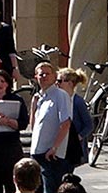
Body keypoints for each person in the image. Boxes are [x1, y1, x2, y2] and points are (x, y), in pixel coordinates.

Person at [31, 63, 78, 193]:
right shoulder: (40, 97)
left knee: (51, 189)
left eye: (48, 73)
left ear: (54, 76)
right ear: (36, 77)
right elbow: (34, 126)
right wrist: (33, 105)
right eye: (41, 74)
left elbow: (66, 123)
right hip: (37, 153)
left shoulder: (60, 95)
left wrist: (54, 148)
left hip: (51, 156)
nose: (44, 76)